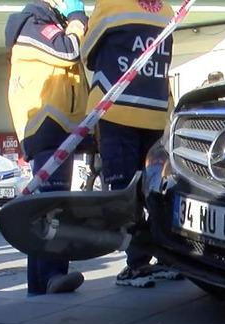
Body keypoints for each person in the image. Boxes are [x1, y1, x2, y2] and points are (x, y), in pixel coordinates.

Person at [82, 0, 182, 288]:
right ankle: (166, 257)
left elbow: (87, 53)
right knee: (156, 191)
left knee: (126, 192)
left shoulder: (111, 5)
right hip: (154, 111)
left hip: (117, 110)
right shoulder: (164, 10)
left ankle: (137, 263)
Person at [5, 0, 88, 295]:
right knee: (52, 206)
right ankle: (52, 275)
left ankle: (41, 284)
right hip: (45, 127)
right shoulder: (31, 24)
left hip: (58, 128)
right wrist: (77, 17)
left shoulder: (50, 23)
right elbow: (69, 50)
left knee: (48, 206)